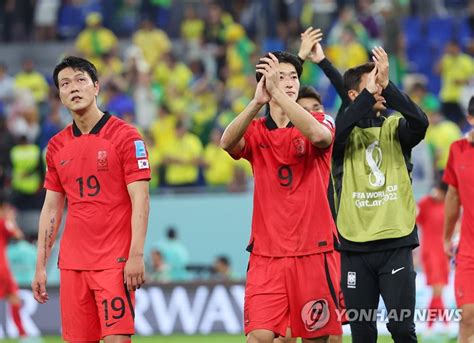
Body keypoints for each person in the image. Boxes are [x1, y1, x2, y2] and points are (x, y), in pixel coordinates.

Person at [221, 50, 342, 342]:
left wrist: (279, 93)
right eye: (280, 77)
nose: (289, 82)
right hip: (267, 255)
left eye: (293, 77)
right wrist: (256, 101)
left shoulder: (321, 120)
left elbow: (320, 138)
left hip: (314, 250)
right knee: (258, 337)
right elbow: (226, 142)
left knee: (317, 338)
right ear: (264, 82)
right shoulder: (256, 131)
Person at [31, 56, 151, 343]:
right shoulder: (56, 146)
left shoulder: (126, 136)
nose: (73, 87)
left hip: (115, 261)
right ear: (59, 95)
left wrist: (136, 254)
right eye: (65, 83)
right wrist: (40, 265)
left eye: (81, 80)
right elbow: (51, 209)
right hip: (72, 264)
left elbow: (141, 200)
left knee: (116, 340)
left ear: (96, 87)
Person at [330, 43, 428, 343]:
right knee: (361, 332)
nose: (379, 90)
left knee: (401, 329)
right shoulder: (338, 136)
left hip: (395, 241)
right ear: (354, 96)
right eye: (371, 84)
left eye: (379, 83)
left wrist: (388, 85)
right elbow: (342, 126)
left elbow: (420, 123)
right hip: (354, 246)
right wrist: (367, 94)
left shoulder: (395, 127)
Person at [444, 95, 474, 343]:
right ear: (470, 119)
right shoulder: (458, 150)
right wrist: (446, 237)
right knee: (467, 317)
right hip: (469, 250)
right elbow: (453, 196)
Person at [416, 180, 450, 330]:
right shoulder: (426, 204)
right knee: (437, 289)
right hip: (431, 252)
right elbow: (415, 218)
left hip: (444, 253)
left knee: (439, 291)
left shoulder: (448, 206)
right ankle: (444, 324)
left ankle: (431, 326)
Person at [0, 194, 27, 338]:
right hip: (2, 268)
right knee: (14, 297)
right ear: (4, 208)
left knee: (13, 297)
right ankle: (23, 335)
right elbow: (18, 235)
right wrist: (11, 220)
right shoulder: (4, 221)